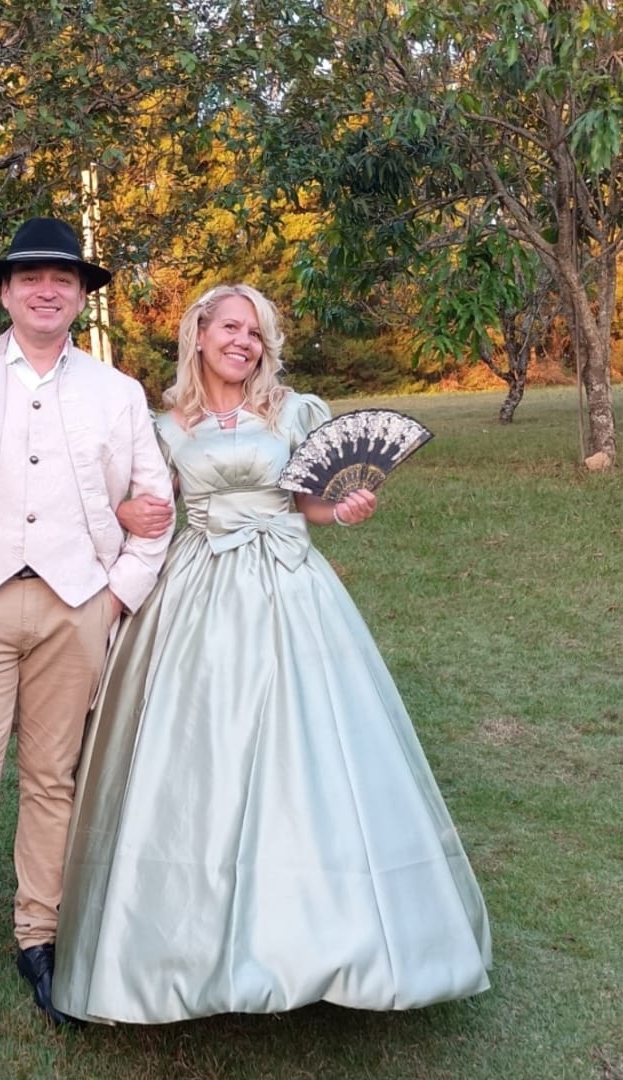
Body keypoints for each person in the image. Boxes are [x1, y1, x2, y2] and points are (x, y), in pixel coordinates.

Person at [52, 283, 491, 1024]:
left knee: (308, 746)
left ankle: (329, 936)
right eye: (230, 327)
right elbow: (141, 503)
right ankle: (177, 944)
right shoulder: (163, 424)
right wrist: (128, 509)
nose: (242, 342)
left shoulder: (294, 411)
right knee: (197, 748)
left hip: (289, 582)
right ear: (198, 335)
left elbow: (310, 501)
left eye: (254, 333)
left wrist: (343, 508)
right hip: (195, 588)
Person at [0, 217, 175, 1077]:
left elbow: (155, 507)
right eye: (30, 277)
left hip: (76, 608)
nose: (46, 289)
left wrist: (114, 597)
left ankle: (38, 940)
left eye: (63, 278)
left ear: (81, 296)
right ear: (5, 293)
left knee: (54, 780)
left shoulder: (118, 393)